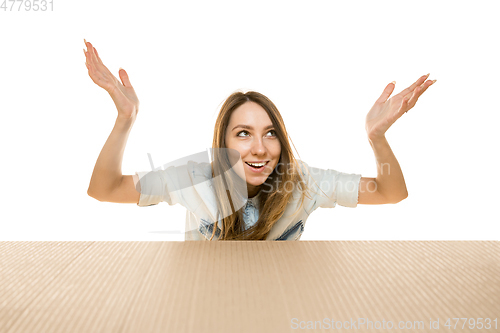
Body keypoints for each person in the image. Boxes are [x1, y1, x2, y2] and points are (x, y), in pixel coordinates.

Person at [84, 39, 436, 241]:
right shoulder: (191, 179)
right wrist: (124, 120)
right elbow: (105, 189)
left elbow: (391, 193)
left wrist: (377, 138)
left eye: (270, 133)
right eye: (243, 134)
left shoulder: (305, 183)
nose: (259, 147)